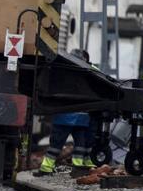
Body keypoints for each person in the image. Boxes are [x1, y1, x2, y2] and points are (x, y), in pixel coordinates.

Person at [35, 49, 97, 177]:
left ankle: (46, 168)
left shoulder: (62, 70)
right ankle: (78, 168)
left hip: (64, 116)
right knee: (80, 144)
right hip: (81, 118)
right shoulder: (88, 72)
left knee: (56, 144)